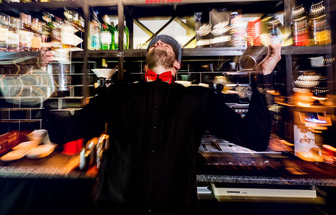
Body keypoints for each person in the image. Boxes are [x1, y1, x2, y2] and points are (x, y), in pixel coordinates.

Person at [43, 34, 281, 215]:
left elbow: (255, 138)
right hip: (118, 206)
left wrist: (263, 76)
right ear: (145, 63)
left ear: (177, 64)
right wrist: (46, 77)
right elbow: (63, 131)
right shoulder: (117, 94)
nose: (159, 44)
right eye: (154, 44)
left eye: (167, 45)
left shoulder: (199, 98)